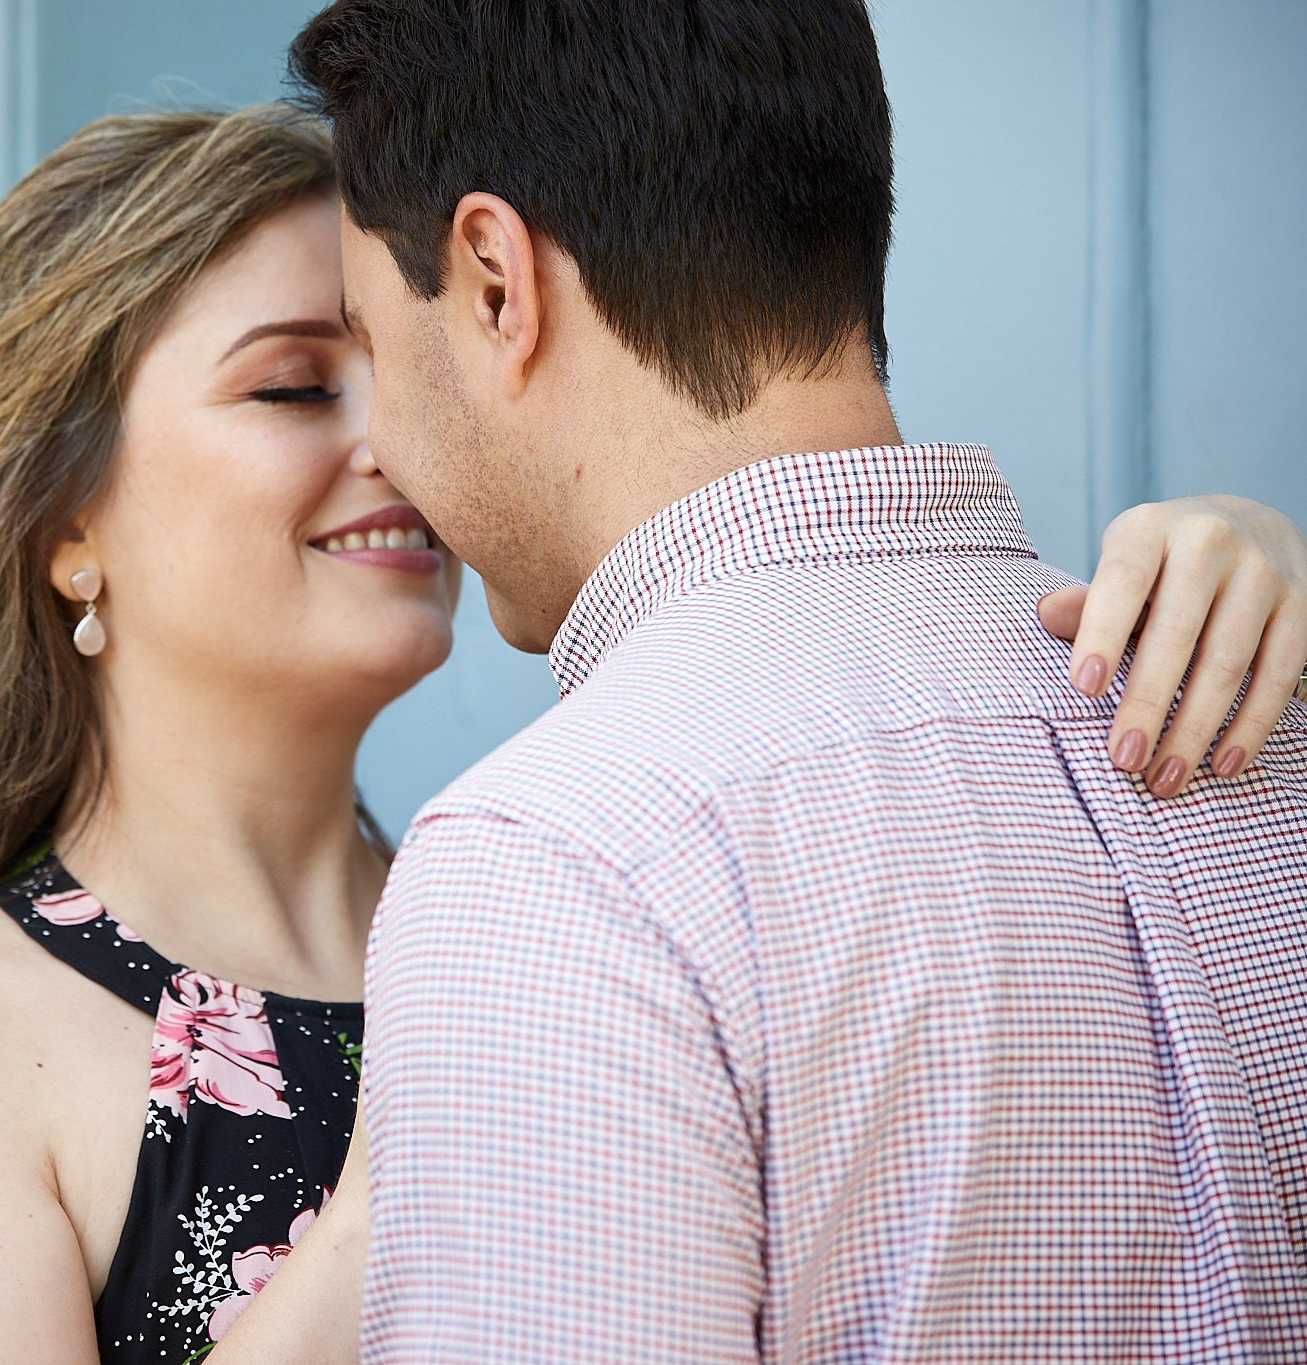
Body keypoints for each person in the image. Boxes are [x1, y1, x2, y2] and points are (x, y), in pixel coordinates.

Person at [0, 106, 1307, 1363]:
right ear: (62, 522)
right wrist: (396, 1178)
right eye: (292, 385)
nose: (396, 438)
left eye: (391, 362)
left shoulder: (589, 896)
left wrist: (1247, 588)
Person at [289, 2, 1307, 1361]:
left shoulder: (565, 859)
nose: (381, 447)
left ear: (493, 282)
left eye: (371, 341)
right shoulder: (1269, 716)